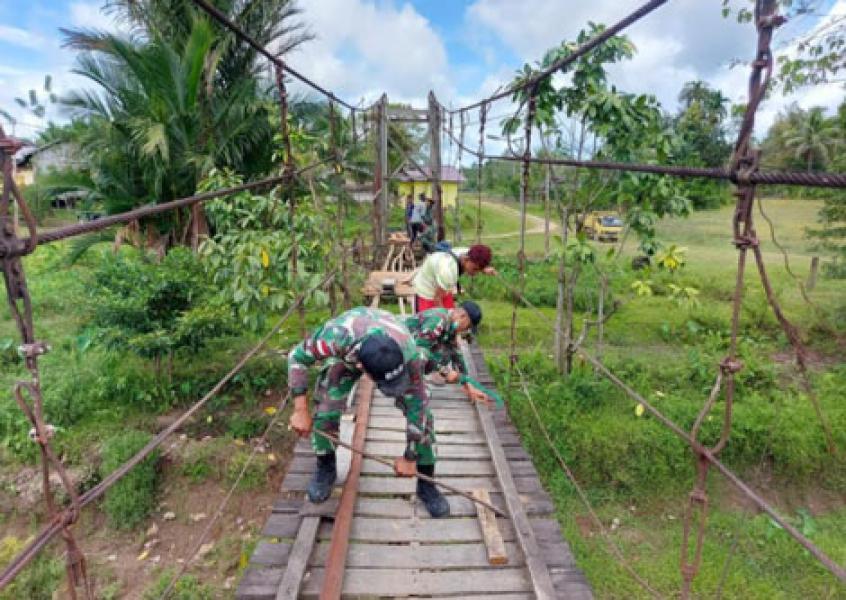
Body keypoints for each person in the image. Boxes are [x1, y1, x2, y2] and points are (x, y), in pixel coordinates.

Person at [287, 307, 449, 517]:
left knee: (425, 421)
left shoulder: (409, 352)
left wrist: (410, 457)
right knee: (326, 409)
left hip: (391, 347)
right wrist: (300, 410)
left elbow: (418, 406)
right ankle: (326, 465)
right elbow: (296, 357)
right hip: (347, 355)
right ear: (364, 369)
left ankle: (426, 482)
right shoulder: (335, 338)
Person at [404, 301, 491, 406]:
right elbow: (419, 350)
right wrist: (445, 372)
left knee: (445, 354)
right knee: (424, 354)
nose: (466, 330)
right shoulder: (438, 320)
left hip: (408, 350)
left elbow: (456, 355)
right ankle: (409, 387)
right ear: (463, 316)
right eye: (468, 326)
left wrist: (468, 385)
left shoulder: (450, 324)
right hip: (397, 350)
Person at [412, 244, 496, 312]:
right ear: (466, 259)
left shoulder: (467, 253)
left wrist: (483, 269)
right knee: (432, 323)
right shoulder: (449, 271)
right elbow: (437, 299)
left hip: (442, 285)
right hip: (427, 291)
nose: (475, 274)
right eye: (475, 269)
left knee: (452, 315)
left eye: (479, 270)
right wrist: (444, 319)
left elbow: (476, 263)